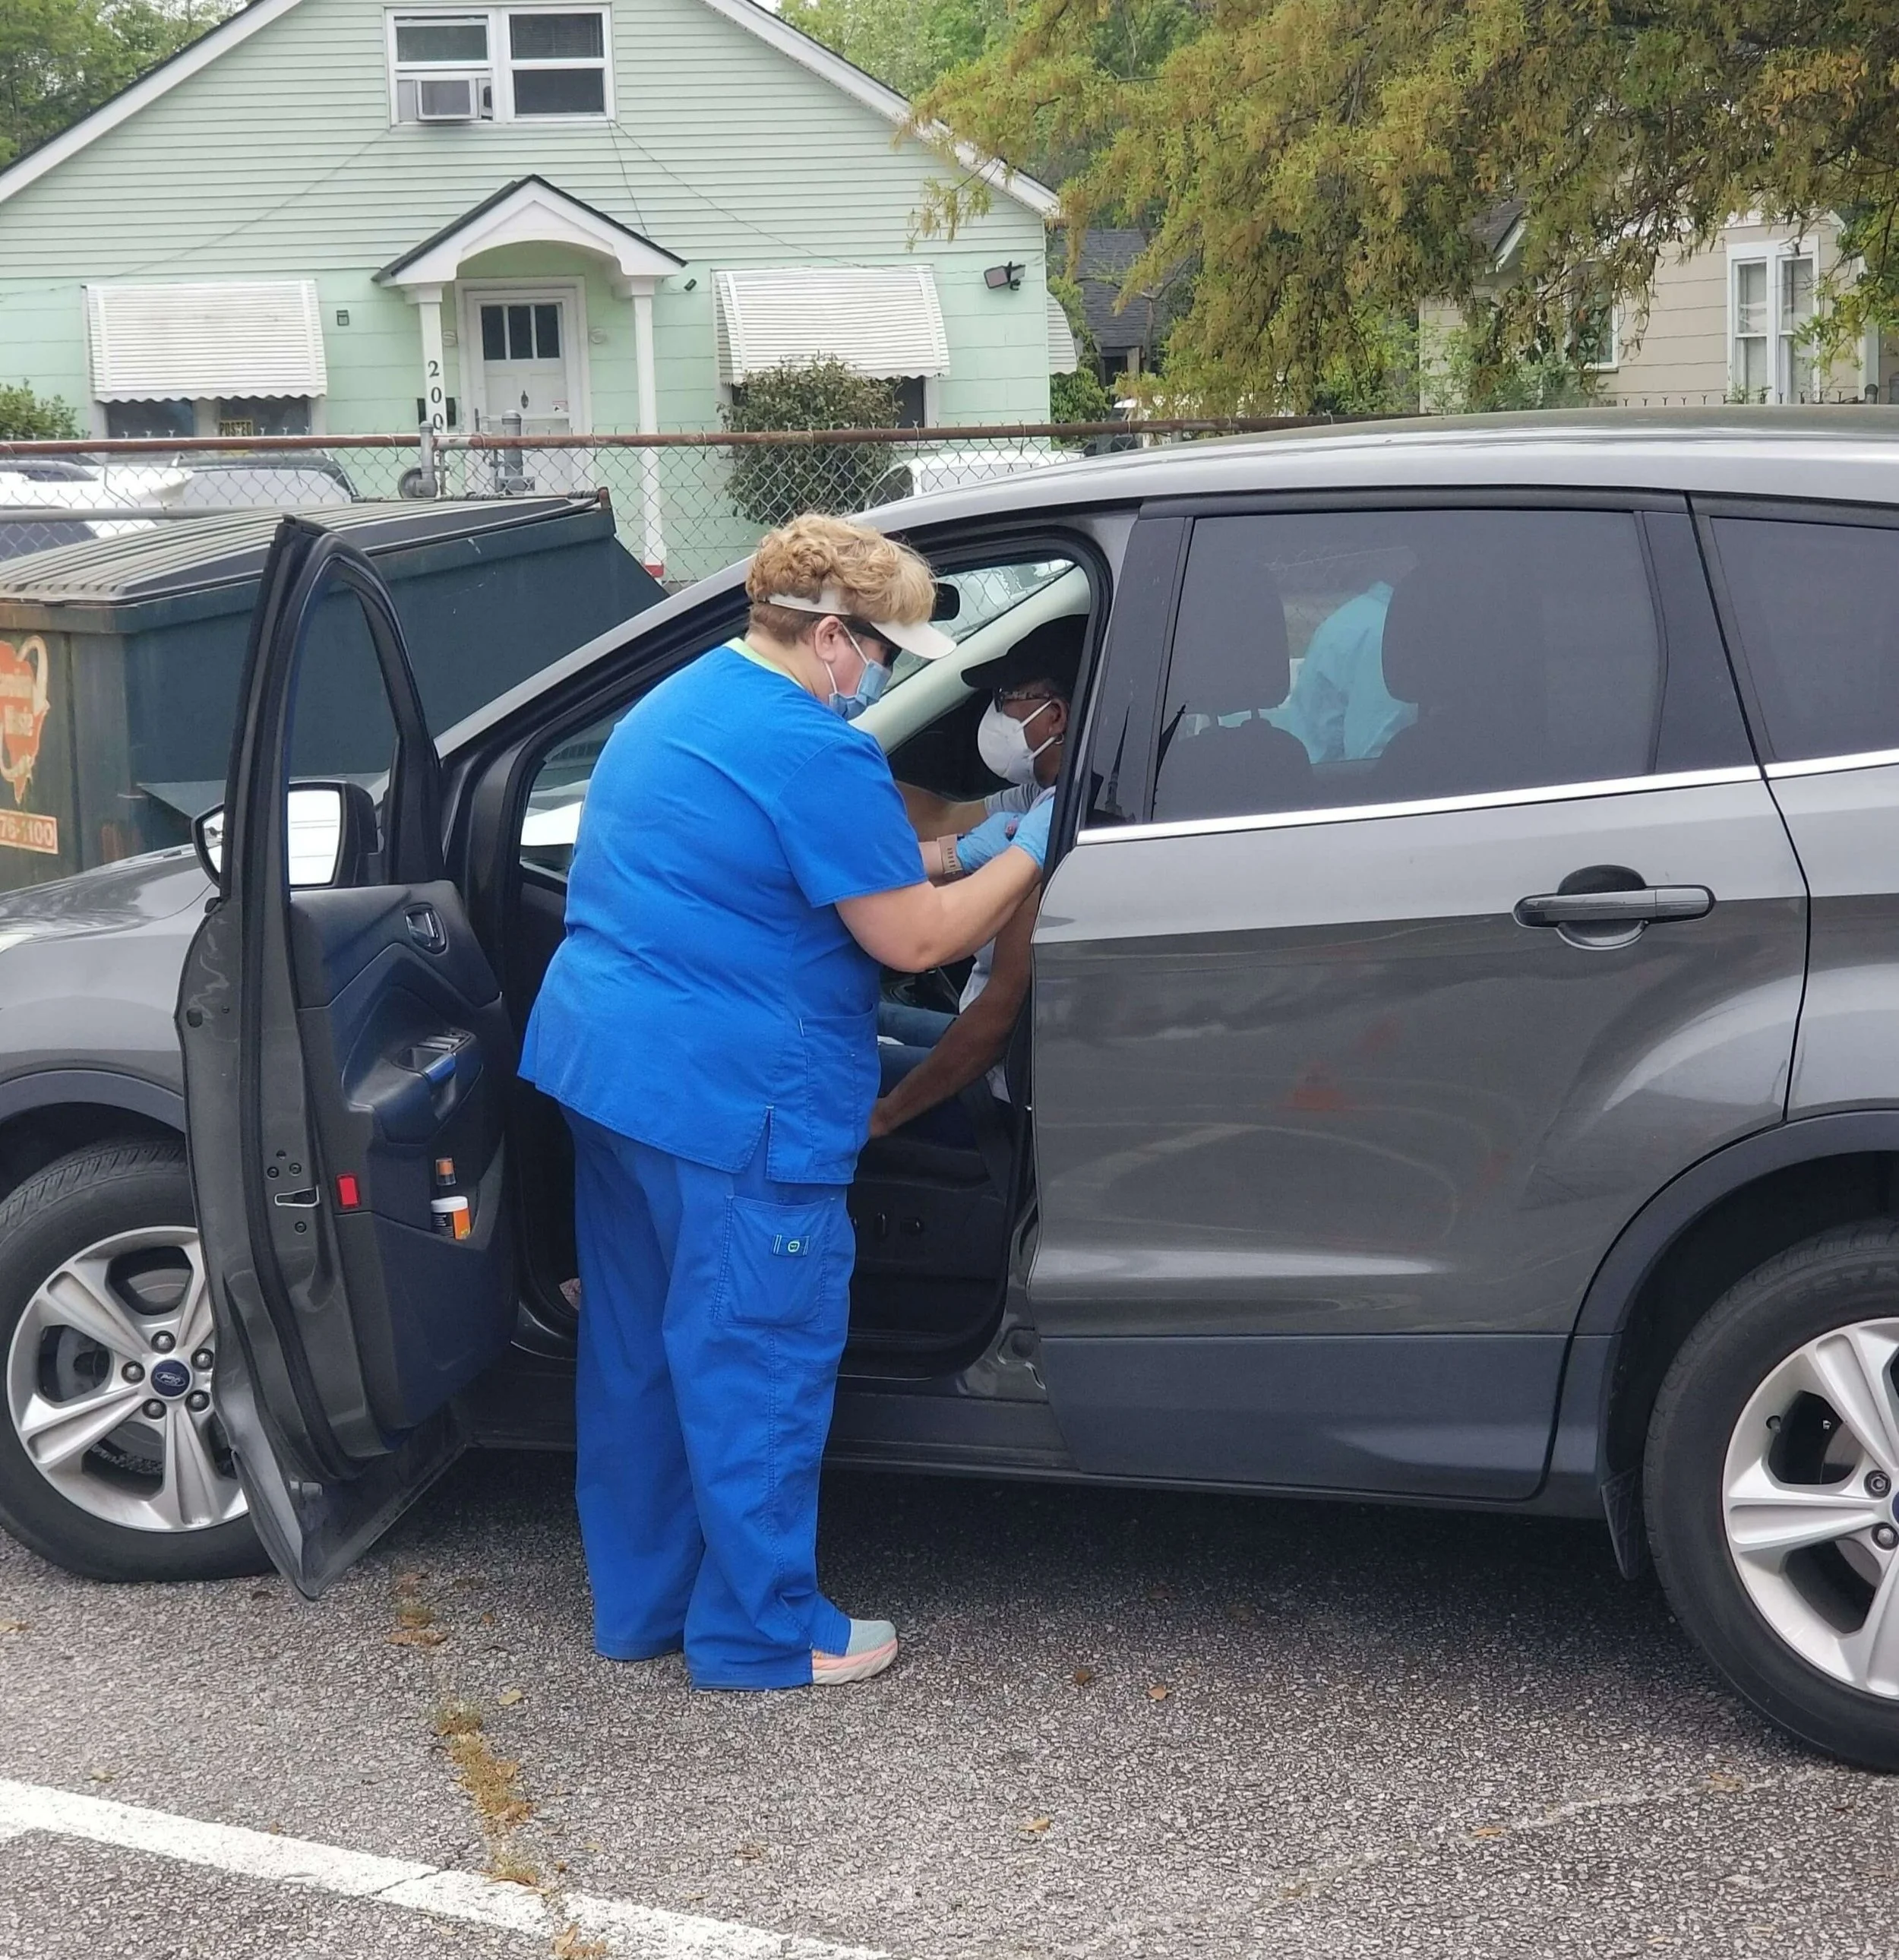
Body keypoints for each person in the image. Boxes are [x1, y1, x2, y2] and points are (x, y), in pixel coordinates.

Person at [520, 514, 1053, 1692]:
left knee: (640, 1358)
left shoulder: (679, 704)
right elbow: (916, 940)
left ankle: (645, 1609)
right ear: (828, 636)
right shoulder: (815, 749)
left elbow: (809, 863)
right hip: (737, 1104)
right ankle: (763, 1636)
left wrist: (970, 850)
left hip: (612, 1078)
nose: (882, 673)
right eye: (882, 651)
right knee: (754, 1358)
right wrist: (1035, 850)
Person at [878, 616, 1080, 1141]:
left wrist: (886, 1116)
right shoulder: (1041, 796)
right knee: (873, 1022)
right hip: (992, 1049)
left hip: (996, 1085)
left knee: (816, 1078)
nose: (995, 712)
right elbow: (941, 819)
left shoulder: (1058, 822)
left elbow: (996, 1020)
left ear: (1054, 716)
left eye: (1006, 698)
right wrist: (843, 766)